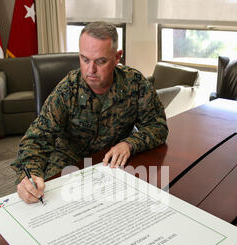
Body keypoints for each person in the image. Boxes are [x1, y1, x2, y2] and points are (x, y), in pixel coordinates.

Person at [11, 21, 168, 203]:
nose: (90, 70)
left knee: (135, 203)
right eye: (84, 59)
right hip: (69, 159)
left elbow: (158, 126)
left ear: (117, 57)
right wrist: (29, 176)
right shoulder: (67, 90)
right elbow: (35, 140)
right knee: (49, 202)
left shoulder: (135, 83)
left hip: (111, 160)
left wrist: (130, 144)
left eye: (100, 61)